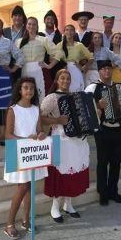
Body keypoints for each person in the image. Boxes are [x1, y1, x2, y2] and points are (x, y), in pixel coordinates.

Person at [41, 69, 89, 222]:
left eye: (68, 79)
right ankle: (55, 206)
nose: (66, 81)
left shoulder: (75, 96)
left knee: (73, 173)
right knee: (59, 173)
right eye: (62, 78)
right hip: (58, 139)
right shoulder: (51, 98)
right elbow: (40, 117)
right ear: (57, 80)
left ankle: (68, 204)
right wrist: (56, 120)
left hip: (76, 140)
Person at [3, 77, 48, 239]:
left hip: (32, 152)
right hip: (18, 150)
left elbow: (39, 130)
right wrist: (24, 140)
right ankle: (9, 224)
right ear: (20, 90)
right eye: (26, 88)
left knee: (30, 186)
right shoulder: (13, 109)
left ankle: (26, 220)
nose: (29, 91)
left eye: (32, 88)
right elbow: (7, 134)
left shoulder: (36, 109)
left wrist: (41, 135)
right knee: (22, 187)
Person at [85, 60, 121, 206]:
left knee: (116, 162)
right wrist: (98, 106)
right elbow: (85, 107)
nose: (107, 71)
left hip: (118, 129)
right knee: (103, 162)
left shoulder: (119, 87)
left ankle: (113, 191)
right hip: (103, 130)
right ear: (99, 71)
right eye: (104, 69)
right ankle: (103, 193)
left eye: (109, 68)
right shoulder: (92, 87)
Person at [0, 17, 25, 146]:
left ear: (1, 27)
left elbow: (20, 56)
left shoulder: (7, 42)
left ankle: (2, 135)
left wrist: (13, 69)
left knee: (3, 106)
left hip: (3, 75)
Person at [16, 17, 62, 101]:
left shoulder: (43, 40)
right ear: (26, 25)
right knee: (25, 96)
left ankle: (39, 114)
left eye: (34, 24)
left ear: (37, 27)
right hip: (24, 71)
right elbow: (15, 56)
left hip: (38, 71)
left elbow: (58, 53)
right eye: (29, 24)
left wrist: (49, 66)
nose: (31, 26)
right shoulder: (19, 41)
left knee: (39, 97)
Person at [57, 24, 94, 92]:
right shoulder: (59, 45)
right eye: (67, 30)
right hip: (64, 71)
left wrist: (85, 67)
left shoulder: (79, 45)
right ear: (64, 32)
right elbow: (54, 58)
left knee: (76, 91)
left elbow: (91, 57)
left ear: (74, 32)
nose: (69, 32)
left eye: (71, 30)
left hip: (76, 70)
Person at [3, 5, 27, 84]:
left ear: (23, 17)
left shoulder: (27, 31)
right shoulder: (5, 31)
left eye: (20, 15)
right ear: (12, 17)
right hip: (8, 64)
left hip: (23, 64)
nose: (17, 18)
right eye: (15, 15)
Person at [38, 9, 64, 81]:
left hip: (57, 68)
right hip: (41, 67)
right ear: (44, 20)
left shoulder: (61, 36)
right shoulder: (39, 35)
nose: (50, 21)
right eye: (48, 18)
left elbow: (63, 51)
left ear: (55, 21)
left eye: (53, 19)